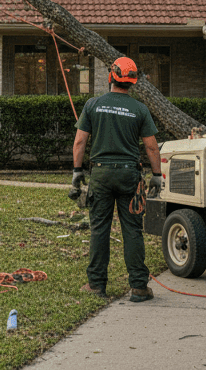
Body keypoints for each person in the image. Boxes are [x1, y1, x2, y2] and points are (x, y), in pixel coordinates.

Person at [70, 56, 164, 302]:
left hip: (100, 174)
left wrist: (77, 171)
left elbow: (80, 141)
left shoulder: (93, 104)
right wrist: (157, 176)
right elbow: (152, 148)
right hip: (129, 176)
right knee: (132, 229)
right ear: (132, 83)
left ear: (111, 77)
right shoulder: (140, 109)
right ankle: (139, 287)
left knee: (99, 229)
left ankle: (97, 285)